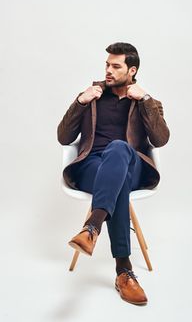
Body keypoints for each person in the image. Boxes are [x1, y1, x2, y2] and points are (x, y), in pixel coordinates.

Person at [57, 42, 170, 305]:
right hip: (91, 167)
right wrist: (79, 101)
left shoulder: (147, 102)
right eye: (107, 64)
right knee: (116, 180)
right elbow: (63, 137)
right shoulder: (91, 97)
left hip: (133, 164)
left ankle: (92, 228)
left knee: (118, 149)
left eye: (115, 66)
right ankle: (124, 272)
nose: (108, 70)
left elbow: (161, 139)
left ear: (131, 70)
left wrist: (145, 100)